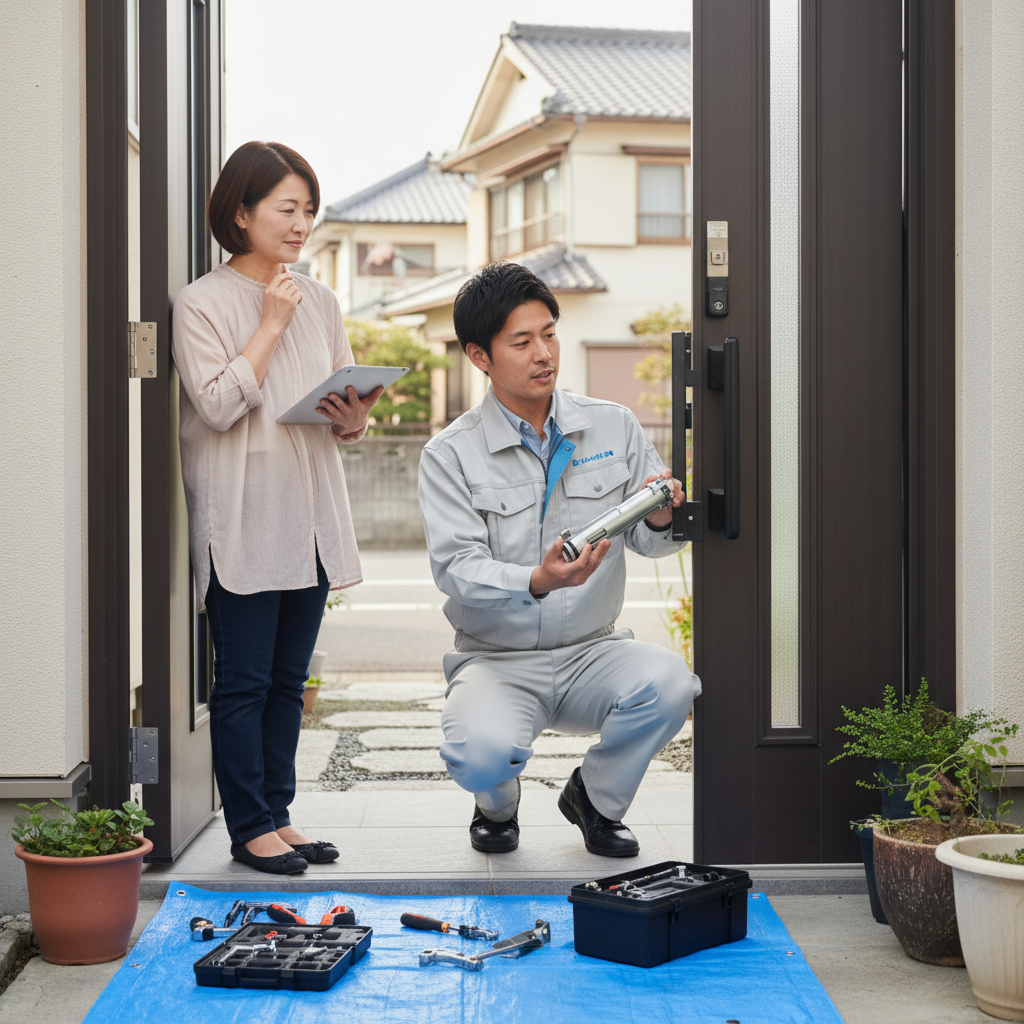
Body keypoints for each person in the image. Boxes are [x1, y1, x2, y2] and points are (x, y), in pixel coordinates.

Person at [417, 262, 701, 857]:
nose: (544, 353)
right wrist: (536, 579)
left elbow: (652, 543)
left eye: (549, 334)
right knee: (478, 754)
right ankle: (498, 804)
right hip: (497, 660)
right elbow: (457, 568)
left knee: (673, 683)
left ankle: (595, 799)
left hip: (594, 652)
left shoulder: (613, 426)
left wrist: (659, 518)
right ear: (479, 355)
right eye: (522, 341)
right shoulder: (450, 453)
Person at [171, 142, 382, 875]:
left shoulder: (320, 300)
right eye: (287, 209)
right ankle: (249, 827)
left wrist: (354, 419)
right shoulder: (201, 303)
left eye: (309, 210)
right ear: (241, 213)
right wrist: (267, 323)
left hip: (311, 519)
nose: (301, 224)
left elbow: (340, 403)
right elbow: (218, 406)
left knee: (289, 683)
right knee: (244, 682)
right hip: (242, 520)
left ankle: (278, 816)